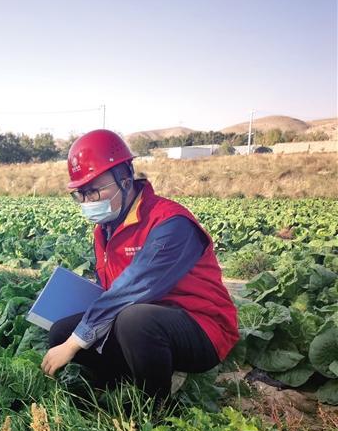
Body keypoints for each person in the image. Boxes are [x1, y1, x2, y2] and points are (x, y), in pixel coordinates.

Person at [41, 129, 238, 400]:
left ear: (124, 178)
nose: (87, 202)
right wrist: (72, 334)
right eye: (81, 194)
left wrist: (77, 341)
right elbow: (110, 289)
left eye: (94, 191)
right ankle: (117, 386)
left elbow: (133, 288)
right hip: (140, 327)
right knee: (60, 331)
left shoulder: (171, 223)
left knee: (135, 320)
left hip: (202, 328)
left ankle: (155, 408)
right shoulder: (105, 229)